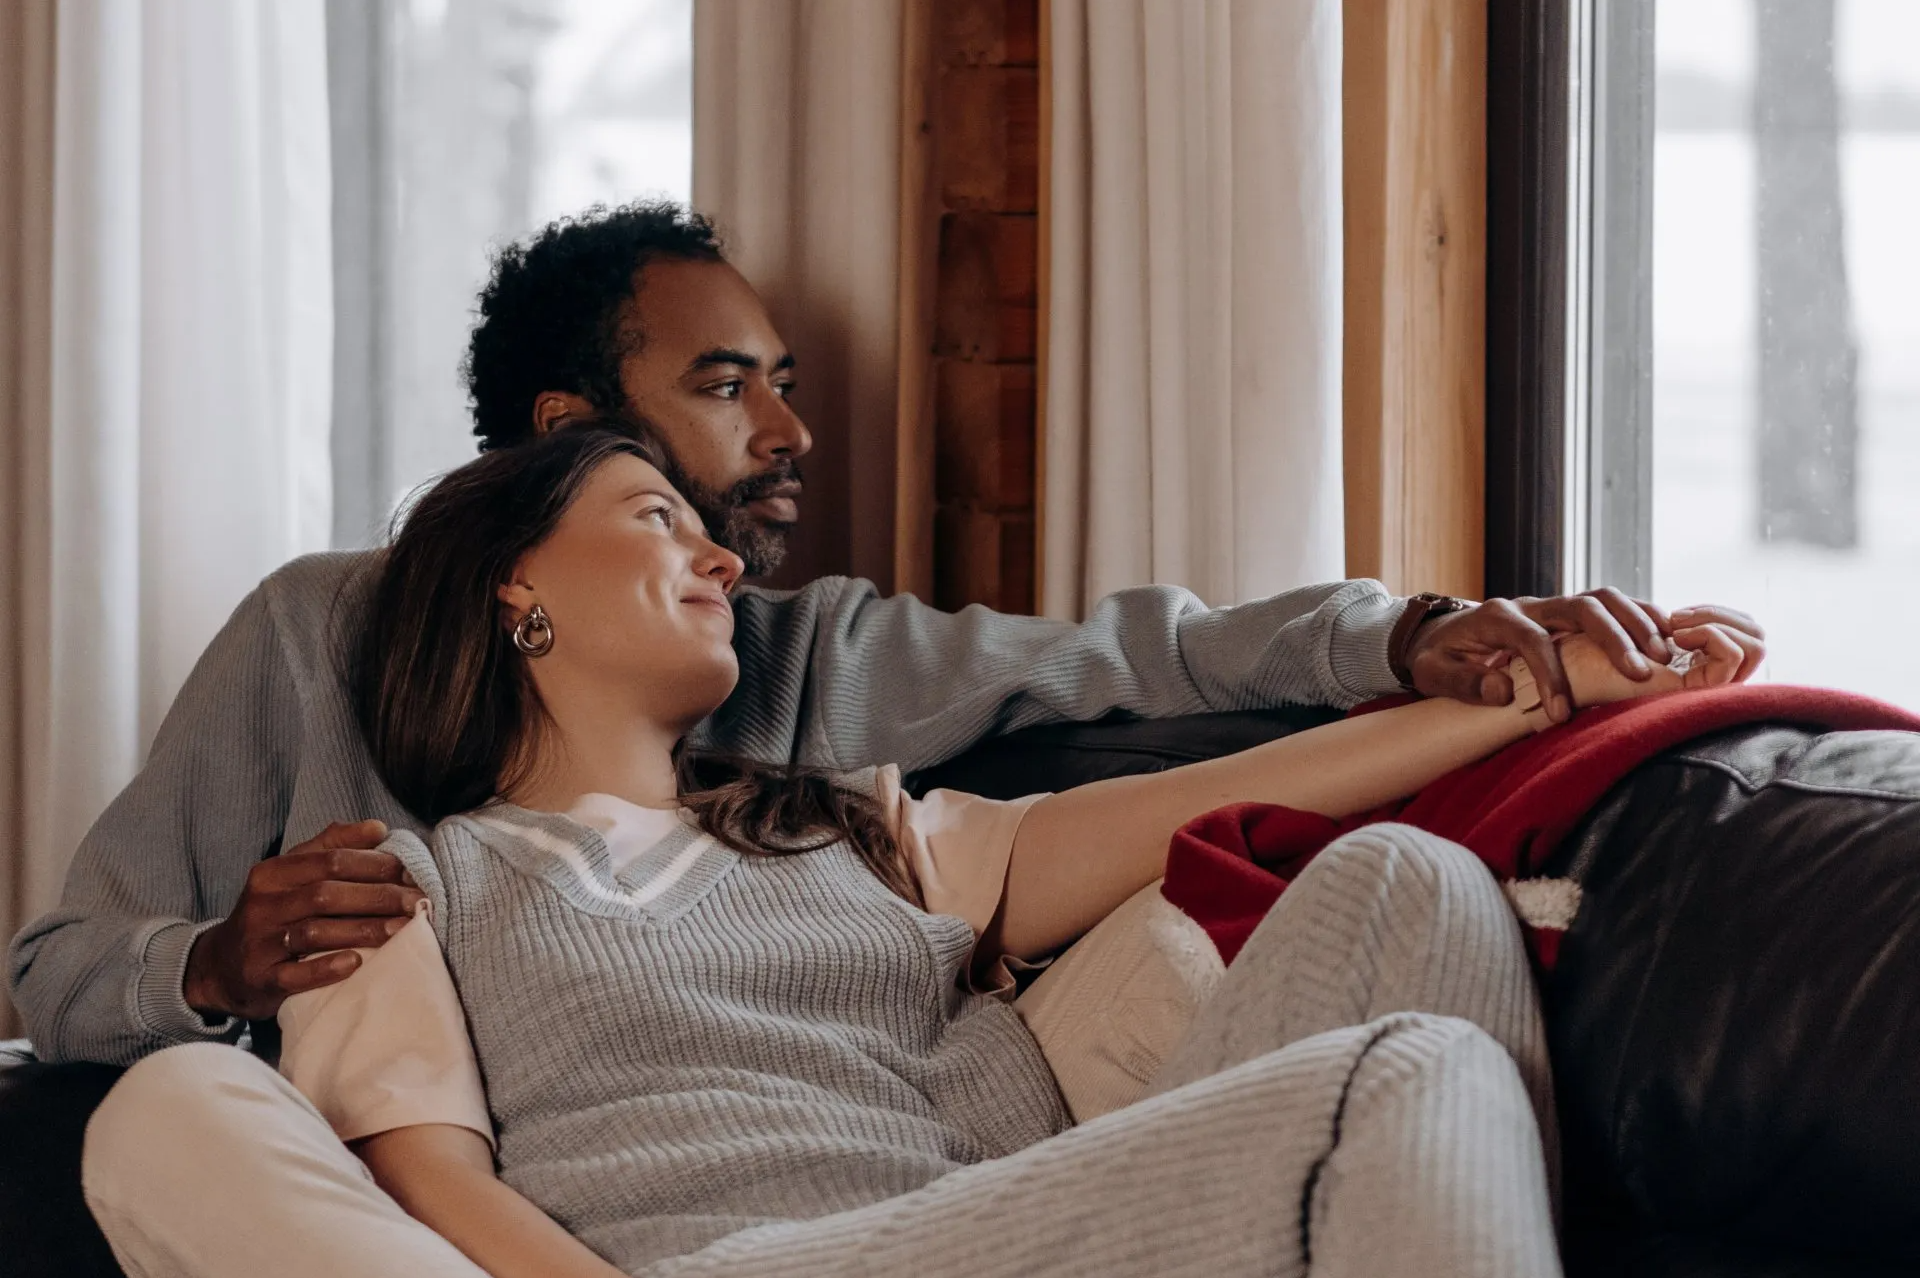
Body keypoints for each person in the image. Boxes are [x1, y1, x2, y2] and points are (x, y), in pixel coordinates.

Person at [8, 199, 1758, 1068]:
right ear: (559, 434)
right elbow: (49, 970)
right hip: (419, 1163)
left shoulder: (804, 659)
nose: (790, 436)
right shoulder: (318, 635)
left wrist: (1430, 637)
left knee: (1407, 918)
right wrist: (218, 967)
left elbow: (1140, 653)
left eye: (788, 384)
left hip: (843, 1166)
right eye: (723, 389)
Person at [80, 428, 1755, 1278]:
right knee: (1413, 1083)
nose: (722, 554)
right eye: (655, 515)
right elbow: (427, 1181)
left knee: (1413, 885)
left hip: (978, 1226)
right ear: (515, 591)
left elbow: (1219, 801)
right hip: (726, 1262)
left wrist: (1527, 690)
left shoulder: (845, 821)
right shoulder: (408, 881)